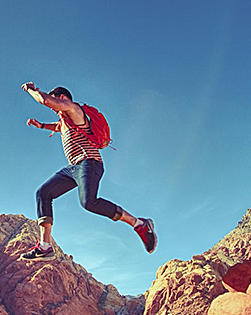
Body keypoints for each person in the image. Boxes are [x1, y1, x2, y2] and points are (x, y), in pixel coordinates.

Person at [20, 81, 156, 261]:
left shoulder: (74, 109)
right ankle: (45, 247)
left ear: (62, 98)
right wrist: (42, 126)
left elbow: (45, 101)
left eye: (56, 102)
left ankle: (140, 224)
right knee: (43, 193)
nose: (55, 108)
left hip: (89, 163)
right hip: (73, 168)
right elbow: (58, 126)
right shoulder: (65, 120)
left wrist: (31, 90)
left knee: (89, 202)